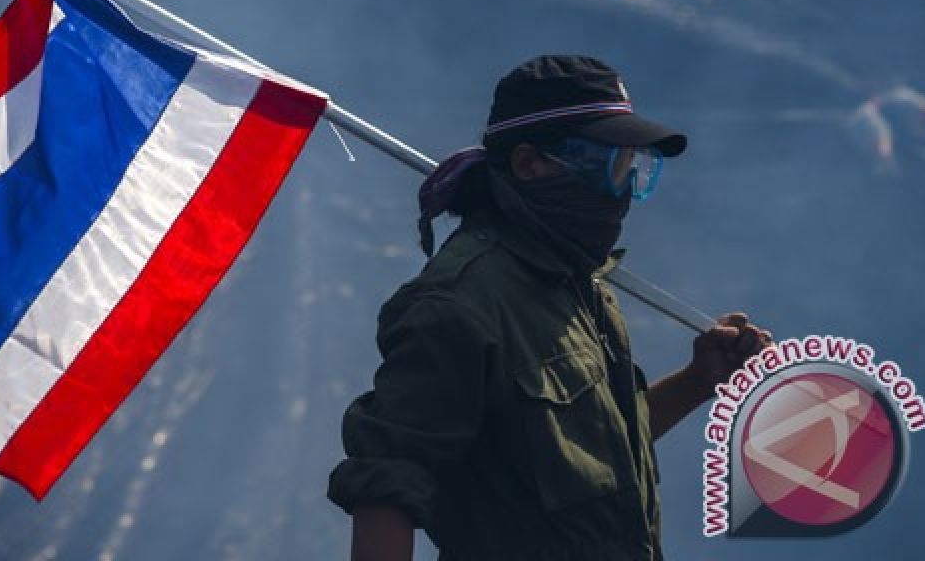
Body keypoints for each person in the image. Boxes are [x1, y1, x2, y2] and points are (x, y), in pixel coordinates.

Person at [327, 56, 771, 561]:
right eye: (609, 167)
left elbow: (600, 449)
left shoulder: (579, 284)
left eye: (634, 169)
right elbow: (386, 481)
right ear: (528, 165)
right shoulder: (461, 302)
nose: (623, 192)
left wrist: (698, 381)